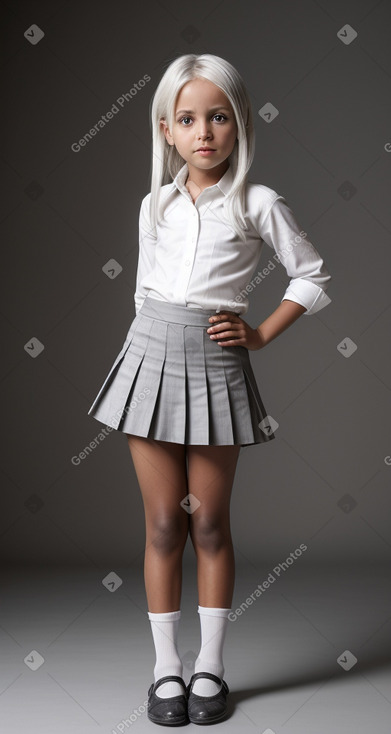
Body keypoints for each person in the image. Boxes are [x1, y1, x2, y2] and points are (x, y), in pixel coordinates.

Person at [87, 53, 332, 726]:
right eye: (187, 119)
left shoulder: (257, 201)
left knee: (209, 524)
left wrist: (259, 335)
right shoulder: (155, 203)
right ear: (165, 129)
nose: (204, 133)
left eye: (217, 117)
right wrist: (141, 356)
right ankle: (166, 668)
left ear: (239, 124)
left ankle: (210, 667)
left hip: (215, 364)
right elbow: (142, 289)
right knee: (163, 523)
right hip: (148, 357)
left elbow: (310, 277)